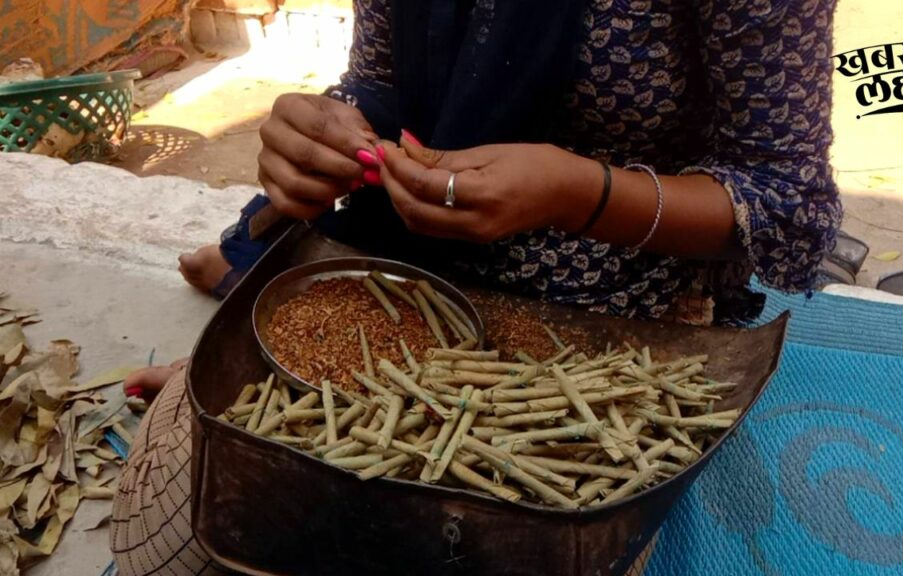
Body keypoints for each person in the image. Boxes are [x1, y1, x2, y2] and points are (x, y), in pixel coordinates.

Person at [112, 0, 842, 573]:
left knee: (501, 536)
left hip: (599, 323)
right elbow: (383, 83)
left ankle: (233, 266)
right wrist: (322, 133)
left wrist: (578, 195)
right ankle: (240, 269)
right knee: (174, 529)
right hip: (403, 275)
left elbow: (790, 206)